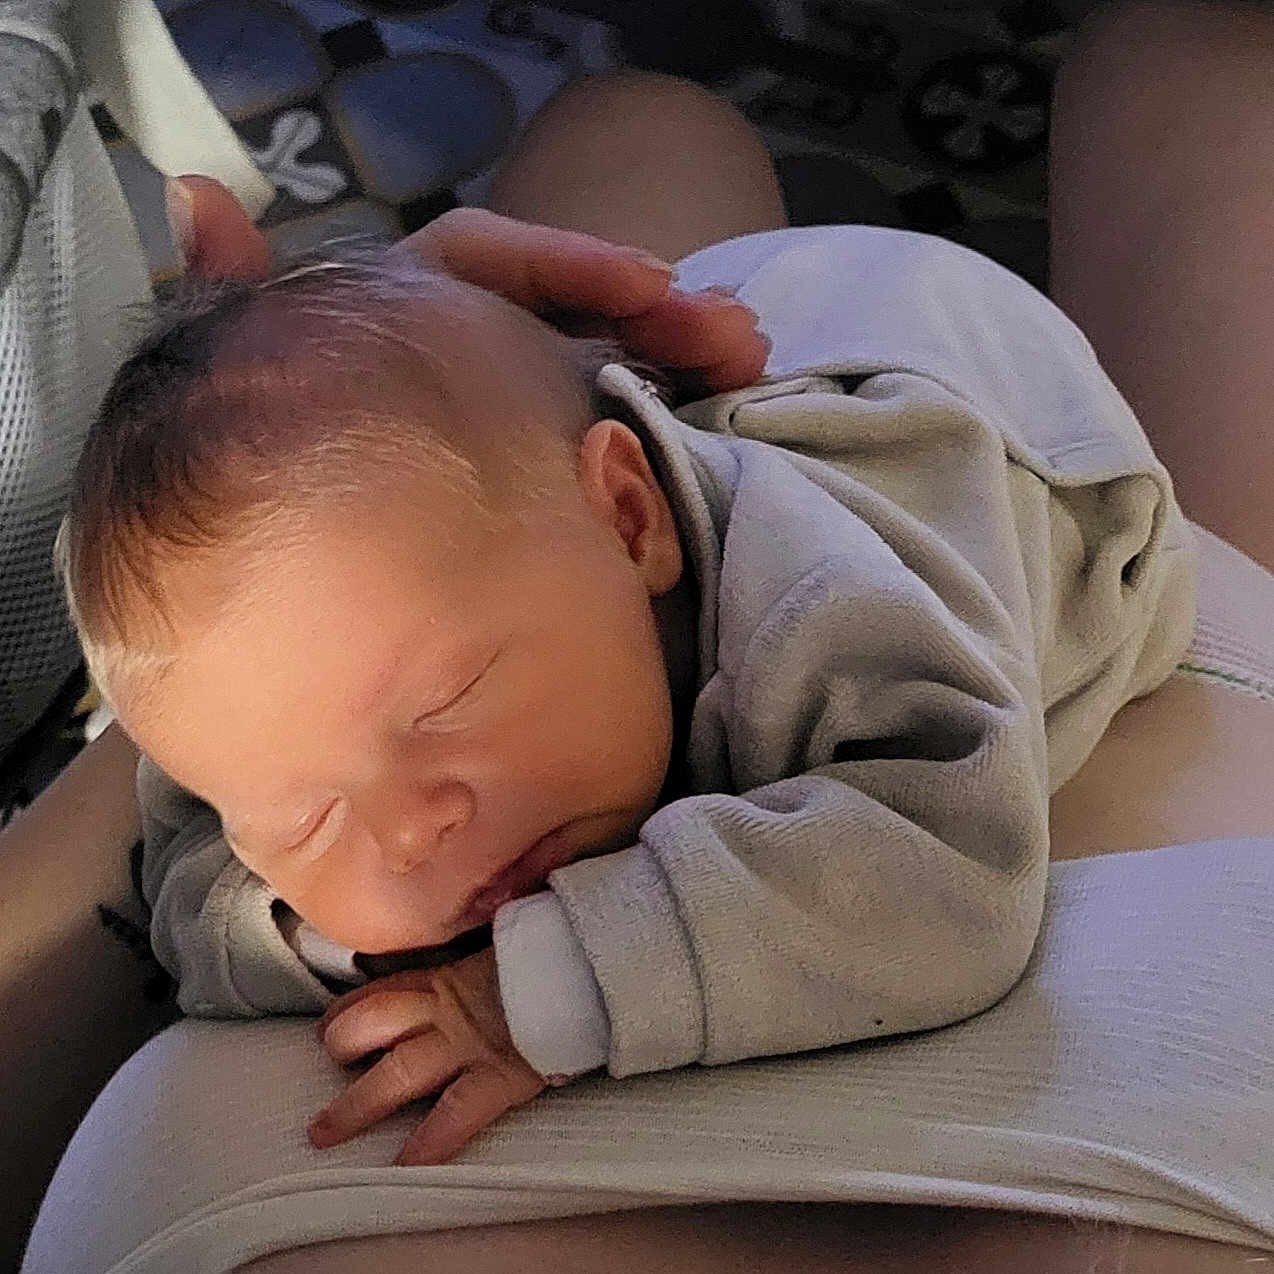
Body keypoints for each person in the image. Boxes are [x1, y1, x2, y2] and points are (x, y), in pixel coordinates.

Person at [8, 3, 1274, 1271]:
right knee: (634, 133)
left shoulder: (825, 614)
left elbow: (940, 868)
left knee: (1182, 53)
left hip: (988, 424)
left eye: (444, 701)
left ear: (629, 518)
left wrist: (530, 989)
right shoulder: (419, 693)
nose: (409, 828)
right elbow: (192, 879)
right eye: (301, 816)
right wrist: (305, 925)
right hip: (632, 441)